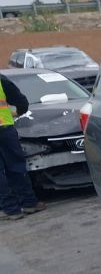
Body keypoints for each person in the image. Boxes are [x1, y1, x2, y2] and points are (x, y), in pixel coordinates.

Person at [0, 72, 46, 220]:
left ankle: (11, 210)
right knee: (16, 166)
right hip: (5, 129)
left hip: (5, 129)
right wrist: (20, 110)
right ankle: (29, 203)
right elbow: (19, 99)